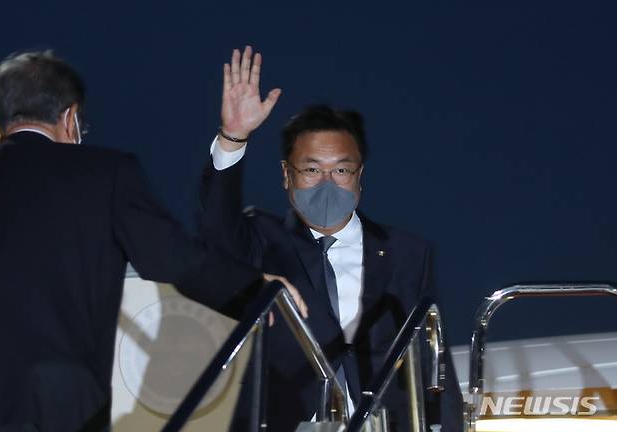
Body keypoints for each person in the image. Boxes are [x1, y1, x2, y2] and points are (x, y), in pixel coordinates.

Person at [0, 51, 307, 432]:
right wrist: (255, 290)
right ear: (71, 118)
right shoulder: (106, 173)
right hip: (67, 402)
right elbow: (175, 260)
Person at [199, 46, 464, 431]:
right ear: (286, 175)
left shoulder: (408, 252)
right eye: (311, 169)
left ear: (360, 175)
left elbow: (432, 354)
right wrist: (233, 138)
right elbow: (216, 229)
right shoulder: (263, 239)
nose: (327, 183)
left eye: (341, 170)